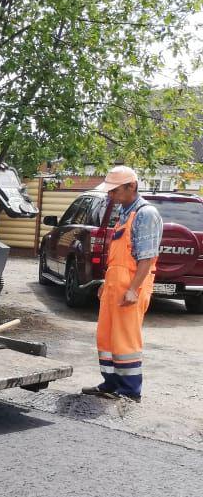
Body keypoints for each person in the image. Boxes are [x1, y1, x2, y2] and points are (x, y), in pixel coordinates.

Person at [81, 165, 163, 402]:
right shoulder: (125, 213)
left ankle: (129, 391)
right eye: (110, 191)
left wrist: (132, 290)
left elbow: (146, 259)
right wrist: (105, 283)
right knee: (106, 337)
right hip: (115, 286)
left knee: (126, 340)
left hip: (130, 287)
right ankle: (110, 385)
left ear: (132, 186)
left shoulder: (145, 214)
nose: (111, 196)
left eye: (115, 191)